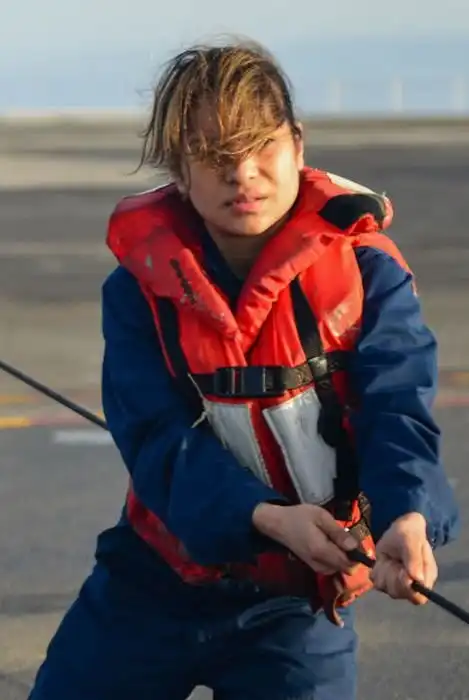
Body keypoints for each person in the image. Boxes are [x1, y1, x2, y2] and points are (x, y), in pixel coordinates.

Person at [28, 38, 459, 700]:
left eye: (261, 146)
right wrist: (265, 516)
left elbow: (395, 406)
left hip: (298, 603)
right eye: (213, 154)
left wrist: (406, 515)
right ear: (180, 169)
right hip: (152, 582)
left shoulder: (368, 272)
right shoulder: (137, 291)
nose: (243, 173)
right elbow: (154, 438)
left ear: (297, 144)